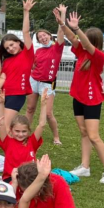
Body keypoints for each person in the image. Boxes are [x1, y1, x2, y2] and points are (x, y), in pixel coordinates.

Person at [56, 7, 104, 184]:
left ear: (93, 41)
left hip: (92, 100)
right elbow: (72, 38)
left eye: (86, 39)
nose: (81, 41)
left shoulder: (99, 57)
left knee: (93, 136)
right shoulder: (81, 52)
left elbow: (84, 42)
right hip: (79, 98)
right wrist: (62, 22)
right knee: (83, 133)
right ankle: (85, 166)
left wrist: (76, 29)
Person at [0, 0, 37, 129]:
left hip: (17, 95)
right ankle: (11, 147)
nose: (10, 49)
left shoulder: (27, 53)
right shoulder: (7, 60)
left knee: (5, 125)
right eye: (7, 48)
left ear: (18, 42)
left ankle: (14, 148)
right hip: (5, 94)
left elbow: (26, 32)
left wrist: (26, 12)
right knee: (3, 125)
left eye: (12, 45)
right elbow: (3, 77)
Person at [26, 8, 66, 146]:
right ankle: (25, 133)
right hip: (34, 81)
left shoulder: (57, 48)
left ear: (49, 35)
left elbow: (61, 32)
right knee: (30, 108)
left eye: (44, 35)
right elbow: (33, 65)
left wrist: (61, 18)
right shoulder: (39, 51)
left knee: (48, 113)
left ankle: (56, 136)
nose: (42, 38)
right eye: (40, 37)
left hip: (47, 84)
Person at [0, 89, 48, 182]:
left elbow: (42, 125)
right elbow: (2, 124)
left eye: (24, 131)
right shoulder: (7, 141)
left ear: (28, 131)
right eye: (17, 131)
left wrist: (44, 105)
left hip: (30, 178)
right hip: (10, 178)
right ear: (11, 130)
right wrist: (0, 104)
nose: (20, 134)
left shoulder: (32, 141)